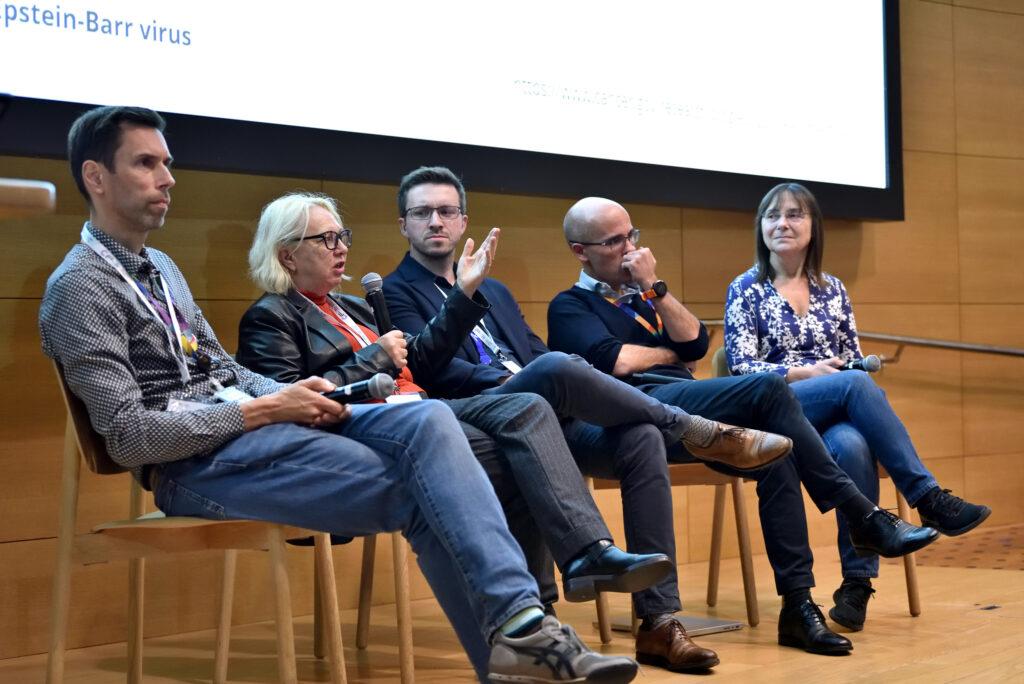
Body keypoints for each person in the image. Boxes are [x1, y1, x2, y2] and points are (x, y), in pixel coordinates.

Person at [38, 105, 642, 684]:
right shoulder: (79, 288)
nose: (168, 178)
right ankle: (521, 642)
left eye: (166, 162)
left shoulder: (161, 268)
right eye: (147, 163)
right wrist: (269, 408)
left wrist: (298, 393)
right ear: (96, 177)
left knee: (429, 419)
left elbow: (222, 370)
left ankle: (524, 635)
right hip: (192, 466)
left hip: (256, 428)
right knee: (430, 485)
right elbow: (127, 436)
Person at [382, 167, 801, 672]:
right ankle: (690, 426)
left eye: (446, 211)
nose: (435, 222)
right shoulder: (395, 292)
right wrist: (467, 302)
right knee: (559, 369)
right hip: (484, 416)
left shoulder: (495, 288)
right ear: (403, 224)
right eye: (422, 213)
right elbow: (427, 368)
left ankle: (659, 622)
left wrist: (538, 368)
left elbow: (534, 351)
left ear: (463, 219)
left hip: (546, 414)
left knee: (638, 433)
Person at [235, 190, 674, 617]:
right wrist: (374, 359)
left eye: (342, 235)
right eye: (326, 239)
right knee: (518, 436)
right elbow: (290, 401)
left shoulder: (355, 307)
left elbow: (420, 363)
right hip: (370, 429)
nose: (341, 247)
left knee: (527, 406)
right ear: (288, 255)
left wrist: (463, 295)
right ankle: (546, 598)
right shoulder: (271, 316)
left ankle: (573, 571)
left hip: (424, 408)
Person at [547, 195, 940, 654]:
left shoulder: (646, 294)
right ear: (581, 251)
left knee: (777, 450)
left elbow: (695, 339)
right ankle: (864, 516)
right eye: (615, 241)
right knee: (768, 390)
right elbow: (615, 362)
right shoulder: (568, 305)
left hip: (692, 414)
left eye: (633, 235)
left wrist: (654, 286)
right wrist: (673, 354)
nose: (631, 248)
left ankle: (798, 606)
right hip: (640, 411)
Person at [724, 181, 991, 630]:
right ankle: (927, 496)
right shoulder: (746, 287)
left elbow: (851, 358)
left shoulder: (833, 289)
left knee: (852, 446)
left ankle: (856, 586)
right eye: (772, 215)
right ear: (761, 227)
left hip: (828, 412)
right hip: (771, 407)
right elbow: (739, 369)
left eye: (794, 214)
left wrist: (842, 370)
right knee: (853, 385)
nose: (782, 223)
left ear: (813, 226)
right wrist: (804, 373)